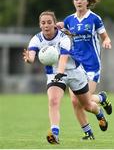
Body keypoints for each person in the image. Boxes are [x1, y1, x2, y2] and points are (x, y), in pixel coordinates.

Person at [23, 10, 108, 144]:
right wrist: (29, 59)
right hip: (54, 74)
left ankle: (99, 112)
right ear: (40, 25)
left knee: (86, 105)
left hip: (75, 72)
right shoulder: (36, 39)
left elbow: (63, 58)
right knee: (54, 101)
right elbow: (32, 55)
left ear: (54, 24)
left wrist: (60, 72)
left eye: (49, 22)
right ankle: (54, 134)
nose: (46, 25)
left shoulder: (63, 37)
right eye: (43, 23)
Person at [56, 0, 112, 140]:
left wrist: (107, 41)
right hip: (75, 66)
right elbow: (63, 34)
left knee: (84, 101)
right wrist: (58, 26)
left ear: (87, 1)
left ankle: (101, 99)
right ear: (73, 1)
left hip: (92, 65)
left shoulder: (94, 19)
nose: (79, 1)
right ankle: (89, 132)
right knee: (76, 101)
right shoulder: (69, 20)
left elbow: (104, 36)